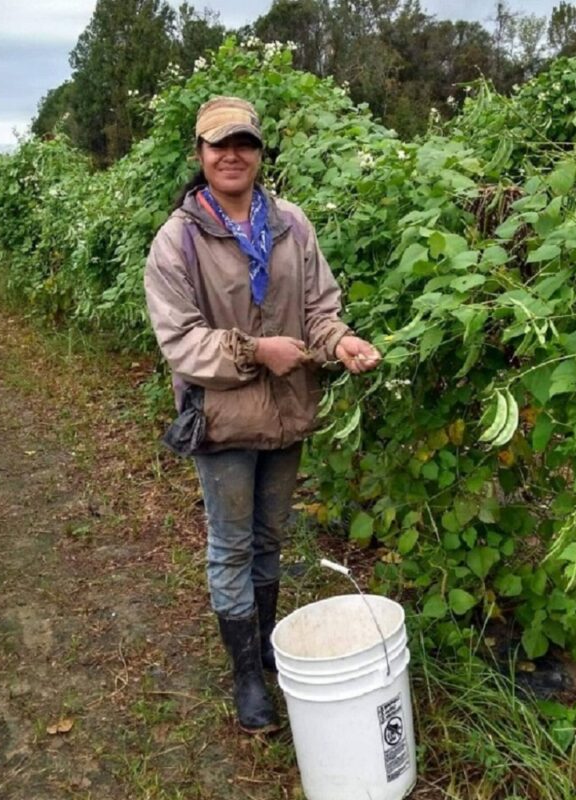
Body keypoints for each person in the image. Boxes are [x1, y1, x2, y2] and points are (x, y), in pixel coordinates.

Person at [144, 96, 380, 734]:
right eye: (218, 144)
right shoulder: (178, 240)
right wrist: (255, 351)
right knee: (231, 546)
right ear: (199, 154)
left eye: (243, 142)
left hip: (285, 415)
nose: (231, 154)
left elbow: (320, 309)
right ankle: (247, 674)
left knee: (270, 541)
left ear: (259, 152)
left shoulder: (291, 225)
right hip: (220, 423)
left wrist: (340, 342)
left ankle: (266, 651)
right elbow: (182, 342)